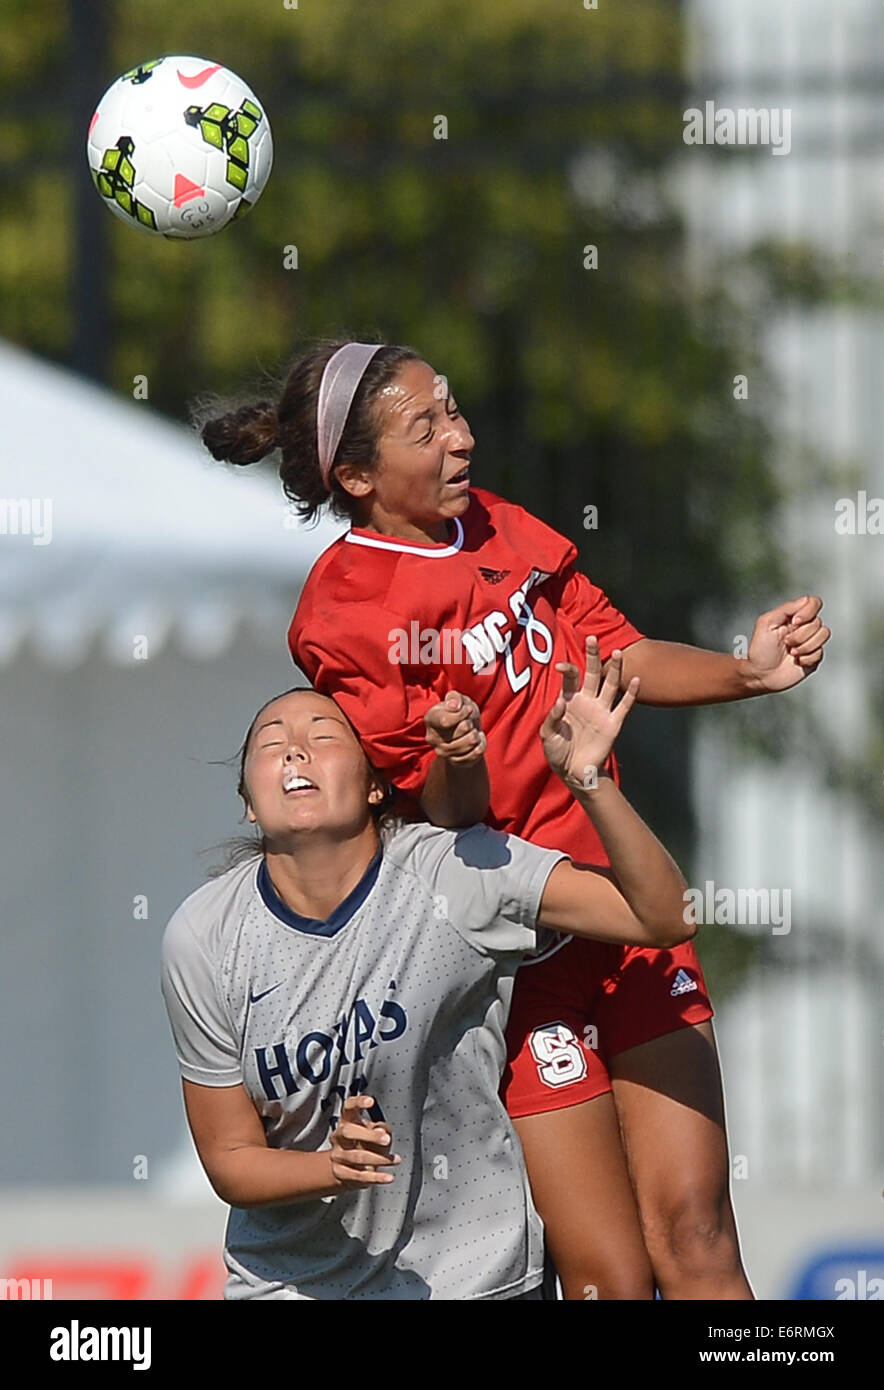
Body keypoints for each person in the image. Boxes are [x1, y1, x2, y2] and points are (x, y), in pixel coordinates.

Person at [197, 338, 830, 1299]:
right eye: (429, 427)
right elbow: (438, 822)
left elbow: (618, 654)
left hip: (625, 911)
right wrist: (460, 759)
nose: (463, 437)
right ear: (359, 475)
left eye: (452, 409)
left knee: (698, 1236)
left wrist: (748, 672)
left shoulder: (500, 525)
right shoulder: (342, 611)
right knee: (608, 1279)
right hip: (519, 958)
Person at [160, 647, 695, 1300]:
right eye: (272, 744)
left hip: (474, 1279)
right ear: (248, 801)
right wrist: (333, 1165)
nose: (295, 751)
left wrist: (590, 780)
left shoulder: (454, 874)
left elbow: (664, 917)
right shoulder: (203, 937)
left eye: (321, 737)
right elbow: (231, 1161)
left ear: (377, 784)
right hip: (295, 1286)